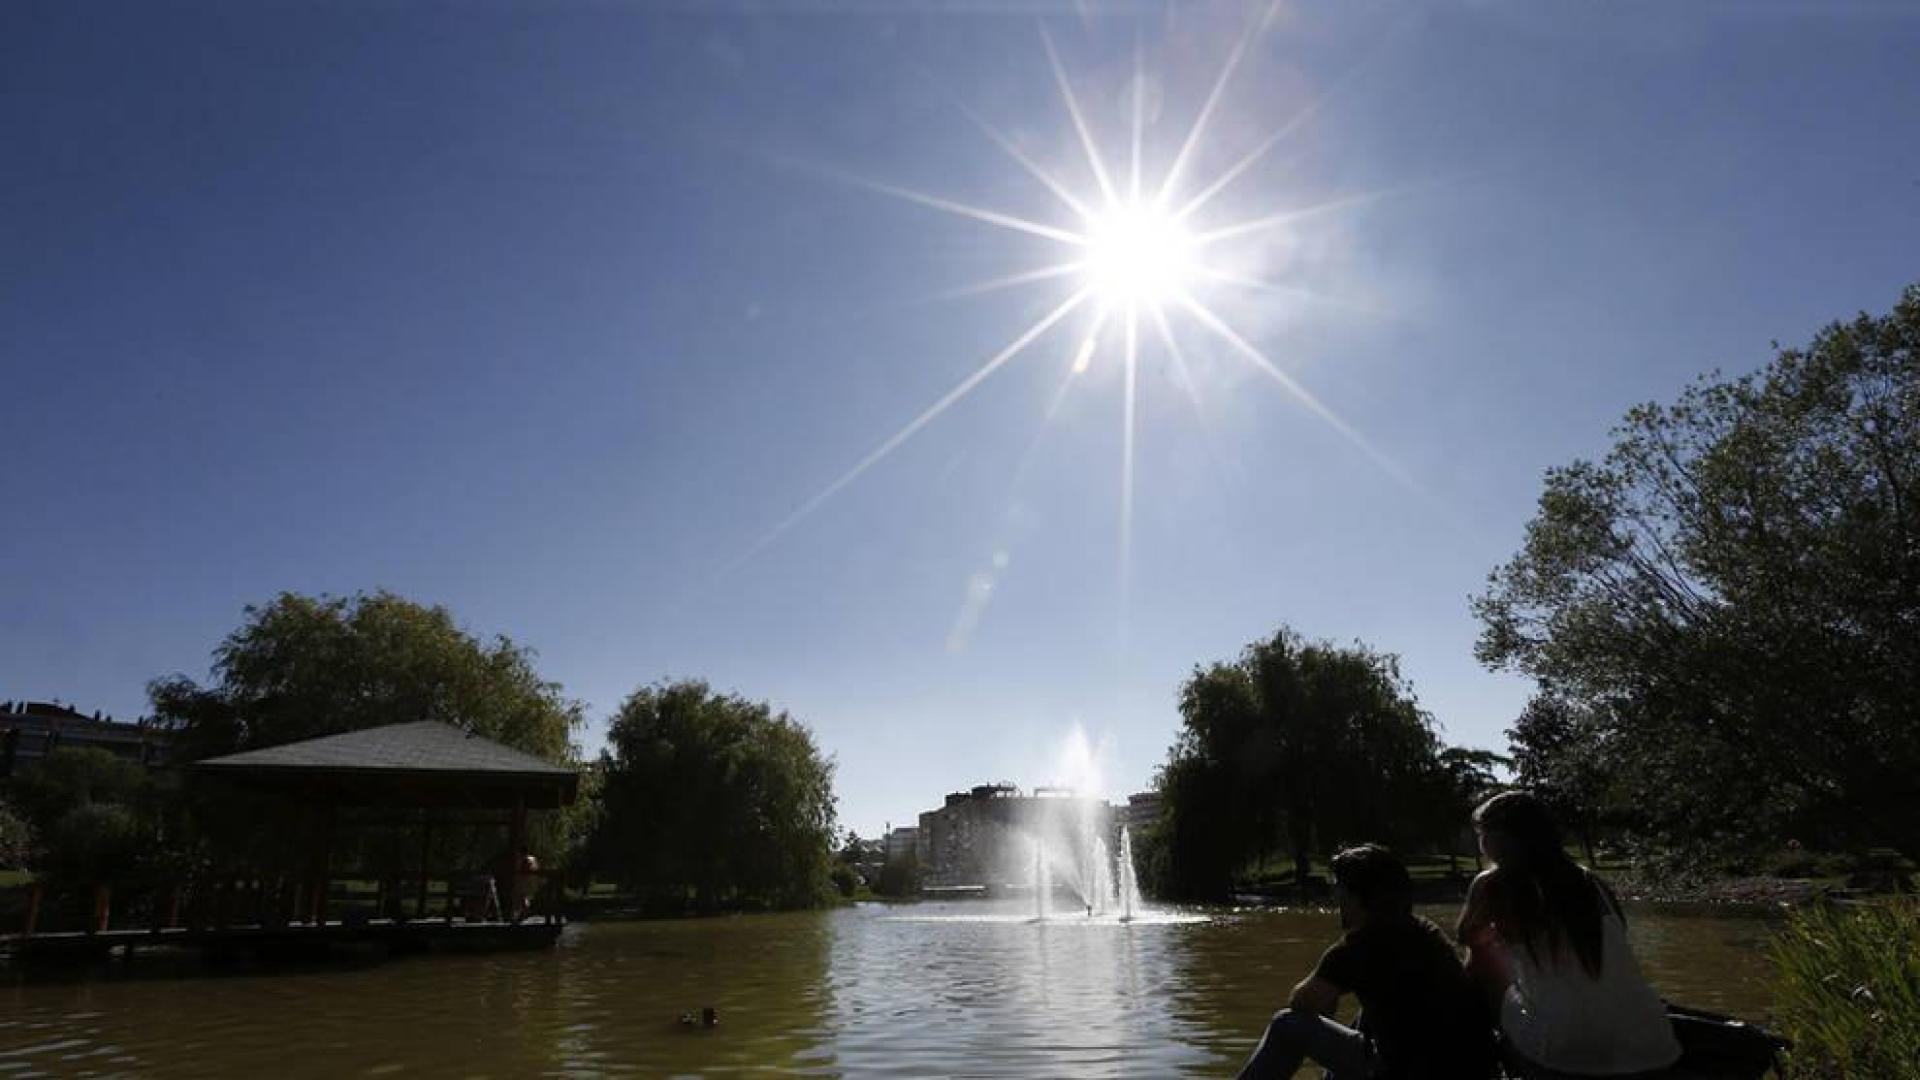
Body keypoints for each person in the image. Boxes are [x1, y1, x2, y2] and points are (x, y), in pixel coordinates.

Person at [1456, 792, 1681, 1077]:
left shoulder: (1490, 884)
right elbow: (1618, 940)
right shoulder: (1591, 880)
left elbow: (1471, 949)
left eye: (1482, 833)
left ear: (1500, 837)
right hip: (1654, 1041)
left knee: (1483, 960)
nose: (1480, 842)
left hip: (1566, 1051)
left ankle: (1482, 1053)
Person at [1236, 845, 1496, 1080]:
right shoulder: (1424, 932)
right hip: (1470, 1068)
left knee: (1287, 1026)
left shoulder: (1358, 948)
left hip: (1411, 1072)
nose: (1335, 898)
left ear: (1357, 897)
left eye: (1339, 889)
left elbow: (1301, 1002)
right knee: (1366, 1017)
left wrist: (1329, 995)